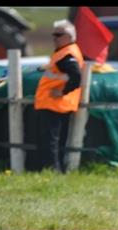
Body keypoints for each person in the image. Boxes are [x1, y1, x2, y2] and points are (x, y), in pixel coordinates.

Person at [34, 20, 84, 173]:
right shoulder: (66, 52)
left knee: (50, 141)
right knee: (58, 141)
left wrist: (62, 92)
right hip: (60, 104)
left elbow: (76, 76)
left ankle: (52, 171)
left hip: (54, 103)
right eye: (53, 34)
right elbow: (62, 73)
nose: (54, 38)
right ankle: (57, 170)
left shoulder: (66, 54)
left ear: (69, 37)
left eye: (58, 34)